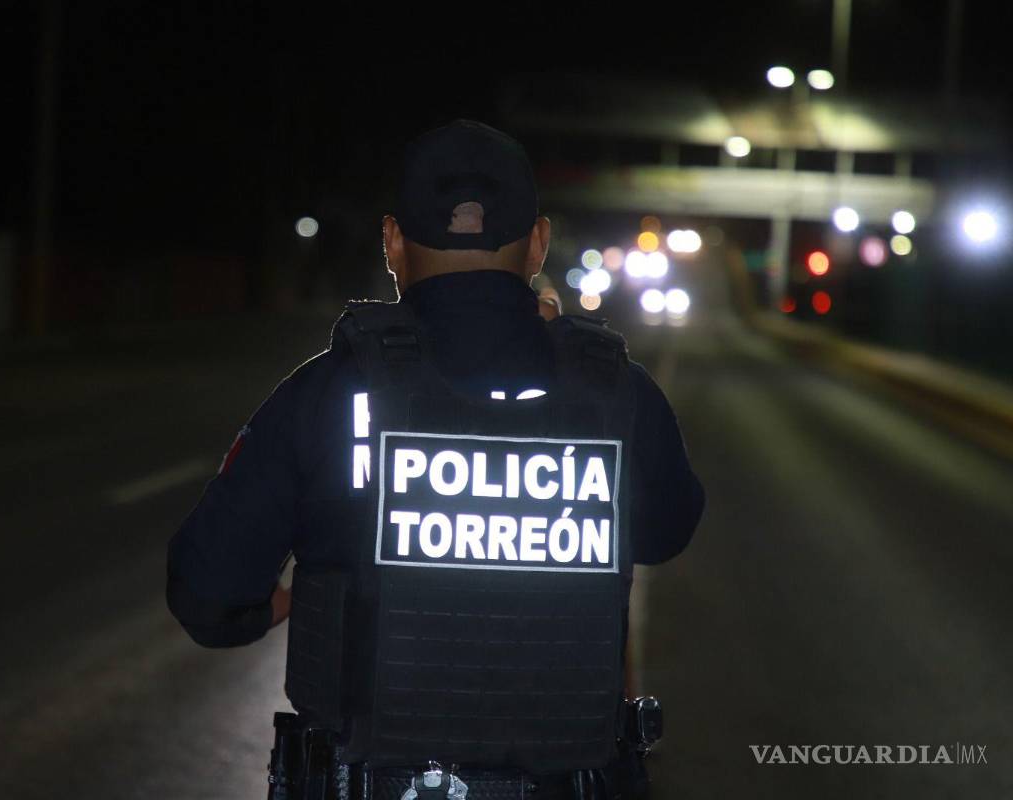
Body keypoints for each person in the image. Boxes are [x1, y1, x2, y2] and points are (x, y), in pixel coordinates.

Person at [167, 120, 704, 799]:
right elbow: (667, 530)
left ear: (393, 242)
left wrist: (303, 596)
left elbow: (207, 596)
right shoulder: (615, 392)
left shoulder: (326, 392)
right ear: (538, 242)